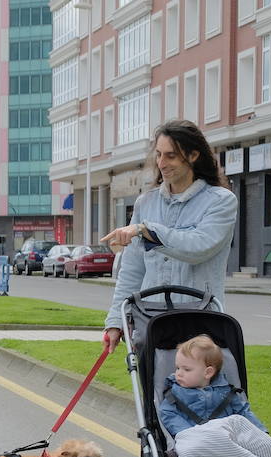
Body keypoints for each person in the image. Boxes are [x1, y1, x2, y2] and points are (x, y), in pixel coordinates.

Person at [101, 120, 238, 353]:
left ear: (193, 155)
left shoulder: (221, 201)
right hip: (151, 321)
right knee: (150, 389)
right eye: (158, 155)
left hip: (199, 321)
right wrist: (116, 321)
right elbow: (132, 270)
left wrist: (146, 231)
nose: (162, 163)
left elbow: (198, 247)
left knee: (193, 389)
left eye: (171, 156)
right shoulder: (146, 203)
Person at [159, 334, 267, 437]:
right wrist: (188, 433)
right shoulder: (175, 393)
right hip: (191, 438)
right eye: (177, 368)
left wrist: (261, 432)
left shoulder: (225, 392)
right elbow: (168, 414)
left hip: (225, 438)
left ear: (208, 373)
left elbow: (243, 412)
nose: (179, 373)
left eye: (186, 369)